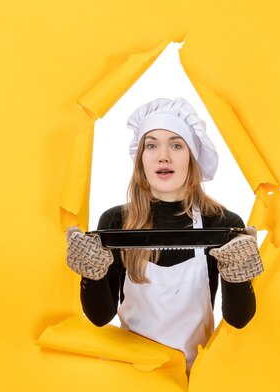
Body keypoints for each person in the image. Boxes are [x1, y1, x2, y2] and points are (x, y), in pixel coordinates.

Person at [65, 97, 262, 371]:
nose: (163, 155)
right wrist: (91, 274)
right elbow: (100, 316)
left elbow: (239, 319)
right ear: (141, 158)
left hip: (193, 379)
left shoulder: (221, 224)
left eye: (176, 145)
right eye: (152, 145)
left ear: (191, 158)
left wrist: (238, 273)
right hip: (132, 378)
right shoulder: (116, 221)